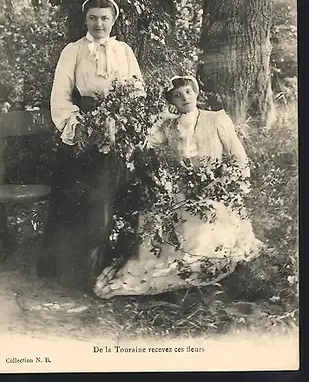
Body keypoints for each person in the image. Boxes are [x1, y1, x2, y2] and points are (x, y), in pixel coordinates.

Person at [94, 75, 263, 298]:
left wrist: (225, 184)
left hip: (216, 189)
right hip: (182, 192)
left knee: (203, 222)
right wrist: (160, 117)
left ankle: (197, 270)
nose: (185, 98)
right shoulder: (170, 126)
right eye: (177, 95)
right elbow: (144, 144)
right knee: (154, 217)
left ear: (196, 92)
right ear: (171, 102)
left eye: (188, 91)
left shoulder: (216, 119)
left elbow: (239, 158)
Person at [36, 0, 144, 290]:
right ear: (85, 20)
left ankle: (106, 266)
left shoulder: (123, 51)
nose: (99, 23)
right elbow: (60, 93)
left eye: (104, 18)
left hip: (117, 130)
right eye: (93, 18)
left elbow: (137, 91)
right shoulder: (73, 51)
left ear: (113, 20)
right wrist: (77, 125)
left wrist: (123, 124)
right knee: (76, 198)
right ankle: (70, 272)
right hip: (83, 130)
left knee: (109, 197)